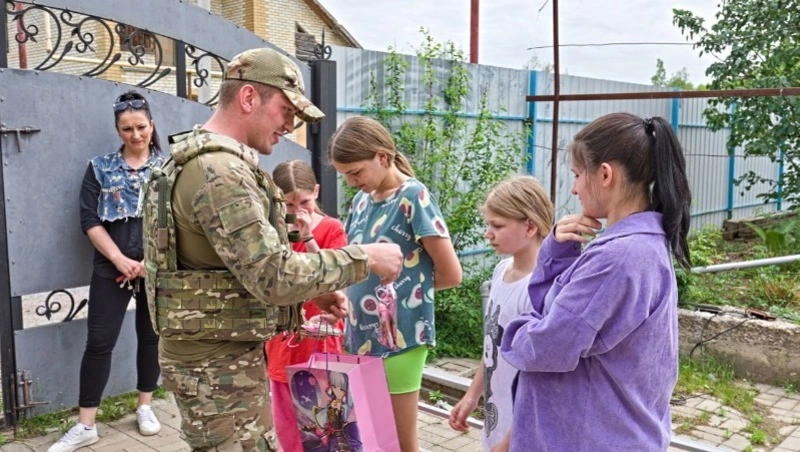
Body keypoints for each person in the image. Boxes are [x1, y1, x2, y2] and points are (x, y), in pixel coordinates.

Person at [143, 48, 403, 452]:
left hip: (216, 358)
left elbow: (238, 264)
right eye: (286, 109)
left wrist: (313, 288)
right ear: (248, 98)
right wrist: (364, 258)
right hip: (217, 368)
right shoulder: (220, 173)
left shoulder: (204, 159)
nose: (290, 124)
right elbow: (272, 276)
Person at [500, 113, 692, 451]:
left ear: (605, 175)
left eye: (576, 175)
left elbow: (549, 345)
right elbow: (556, 311)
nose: (573, 188)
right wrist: (557, 250)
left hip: (590, 437)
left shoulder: (619, 257)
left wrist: (513, 332)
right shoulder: (637, 245)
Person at [328, 116, 463, 452]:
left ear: (383, 157)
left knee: (402, 445)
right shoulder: (361, 201)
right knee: (371, 439)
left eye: (356, 172)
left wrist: (400, 297)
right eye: (344, 175)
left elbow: (450, 274)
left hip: (400, 338)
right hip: (358, 336)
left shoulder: (413, 197)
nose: (350, 182)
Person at [49, 91, 163, 452]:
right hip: (110, 267)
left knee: (151, 337)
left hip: (154, 269)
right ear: (118, 129)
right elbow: (89, 219)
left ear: (151, 125)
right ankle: (86, 425)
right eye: (127, 128)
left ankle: (145, 405)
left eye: (141, 127)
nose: (135, 135)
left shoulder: (167, 168)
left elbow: (178, 221)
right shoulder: (99, 168)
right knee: (99, 343)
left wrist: (151, 261)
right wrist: (119, 260)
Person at [448, 175, 554, 451]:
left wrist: (509, 441)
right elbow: (492, 345)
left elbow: (542, 376)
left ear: (529, 226)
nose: (488, 233)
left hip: (522, 432)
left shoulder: (541, 288)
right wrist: (473, 396)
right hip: (497, 415)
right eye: (488, 224)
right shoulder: (500, 271)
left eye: (497, 225)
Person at [264, 159, 348, 451]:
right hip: (282, 350)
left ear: (316, 191)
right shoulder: (270, 234)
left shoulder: (331, 229)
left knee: (325, 435)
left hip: (321, 352)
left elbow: (333, 280)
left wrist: (308, 237)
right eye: (288, 205)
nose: (298, 212)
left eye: (305, 202)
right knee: (288, 433)